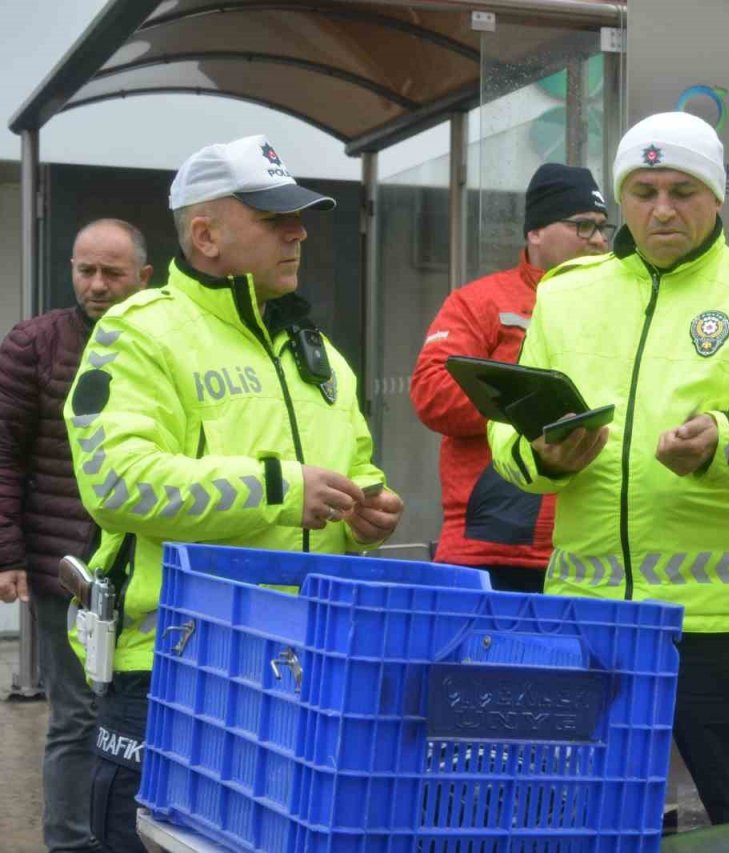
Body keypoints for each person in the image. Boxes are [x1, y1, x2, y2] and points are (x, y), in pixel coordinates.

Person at [487, 112, 729, 825]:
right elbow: (510, 427)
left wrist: (727, 439)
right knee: (584, 820)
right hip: (589, 622)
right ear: (620, 199)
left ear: (717, 197)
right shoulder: (566, 294)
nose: (661, 208)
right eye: (643, 189)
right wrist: (539, 454)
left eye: (682, 189)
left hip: (722, 631)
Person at [64, 135, 403, 853]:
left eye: (300, 215)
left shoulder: (320, 354)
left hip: (303, 673)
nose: (298, 231)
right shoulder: (140, 333)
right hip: (173, 674)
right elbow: (116, 482)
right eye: (274, 216)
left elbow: (355, 468)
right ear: (205, 235)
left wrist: (366, 511)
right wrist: (281, 488)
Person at [0, 219, 151, 853]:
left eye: (112, 273)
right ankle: (70, 843)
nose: (96, 284)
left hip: (144, 566)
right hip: (65, 565)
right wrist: (6, 552)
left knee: (139, 715)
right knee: (76, 717)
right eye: (84, 269)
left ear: (144, 276)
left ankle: (131, 835)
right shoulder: (34, 344)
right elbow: (4, 454)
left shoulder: (161, 342)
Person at [411, 163, 611, 593]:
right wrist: (533, 403)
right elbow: (432, 392)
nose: (598, 239)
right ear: (535, 232)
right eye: (582, 226)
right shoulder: (481, 302)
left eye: (602, 227)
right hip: (493, 548)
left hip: (592, 548)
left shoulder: (623, 309)